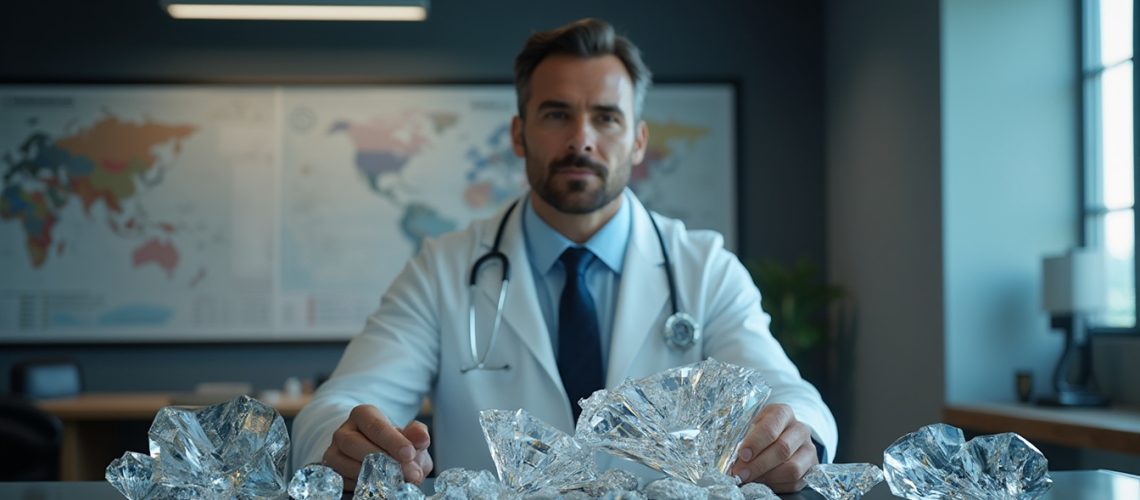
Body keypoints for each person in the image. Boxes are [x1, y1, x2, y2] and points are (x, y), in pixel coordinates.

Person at [292, 18, 837, 493]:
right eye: (556, 115)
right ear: (519, 134)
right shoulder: (443, 268)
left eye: (606, 117)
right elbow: (344, 401)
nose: (582, 139)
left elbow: (789, 396)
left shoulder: (704, 267)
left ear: (639, 141)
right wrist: (342, 441)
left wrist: (797, 437)